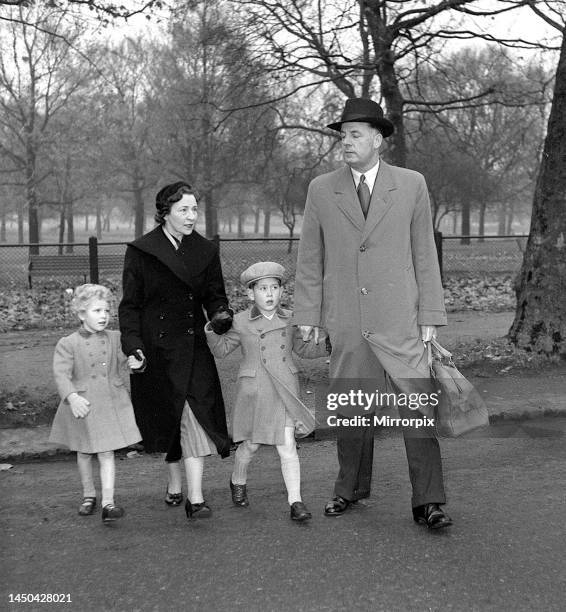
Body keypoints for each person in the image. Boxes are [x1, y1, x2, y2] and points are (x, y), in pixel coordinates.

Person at [293, 98, 452, 529]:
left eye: (355, 134)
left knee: (417, 408)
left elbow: (424, 254)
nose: (346, 142)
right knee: (352, 407)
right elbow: (310, 258)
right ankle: (349, 488)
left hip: (401, 317)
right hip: (346, 318)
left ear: (378, 139)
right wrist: (308, 314)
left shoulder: (412, 184)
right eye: (342, 135)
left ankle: (429, 501)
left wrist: (430, 315)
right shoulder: (322, 189)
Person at [118, 181, 233, 520]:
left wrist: (220, 313)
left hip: (193, 345)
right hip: (157, 349)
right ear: (165, 212)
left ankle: (195, 498)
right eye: (183, 209)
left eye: (194, 209)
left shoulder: (205, 251)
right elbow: (130, 307)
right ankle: (174, 481)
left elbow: (215, 294)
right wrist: (133, 346)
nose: (191, 216)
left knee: (195, 415)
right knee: (170, 419)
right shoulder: (141, 251)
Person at [205, 262, 329, 522]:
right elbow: (221, 350)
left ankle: (295, 501)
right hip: (255, 391)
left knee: (288, 447)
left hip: (284, 389)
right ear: (251, 294)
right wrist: (213, 328)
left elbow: (304, 350)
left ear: (281, 291)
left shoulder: (292, 319)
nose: (269, 293)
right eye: (262, 288)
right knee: (250, 446)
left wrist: (328, 343)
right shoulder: (239, 321)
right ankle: (237, 480)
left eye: (275, 287)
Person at [49, 284, 143, 524]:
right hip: (83, 404)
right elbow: (61, 374)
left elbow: (128, 358)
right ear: (81, 314)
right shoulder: (67, 343)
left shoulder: (115, 338)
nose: (103, 316)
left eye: (106, 310)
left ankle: (108, 502)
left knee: (106, 452)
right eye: (96, 310)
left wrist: (137, 362)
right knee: (84, 451)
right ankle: (89, 494)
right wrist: (72, 397)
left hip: (111, 402)